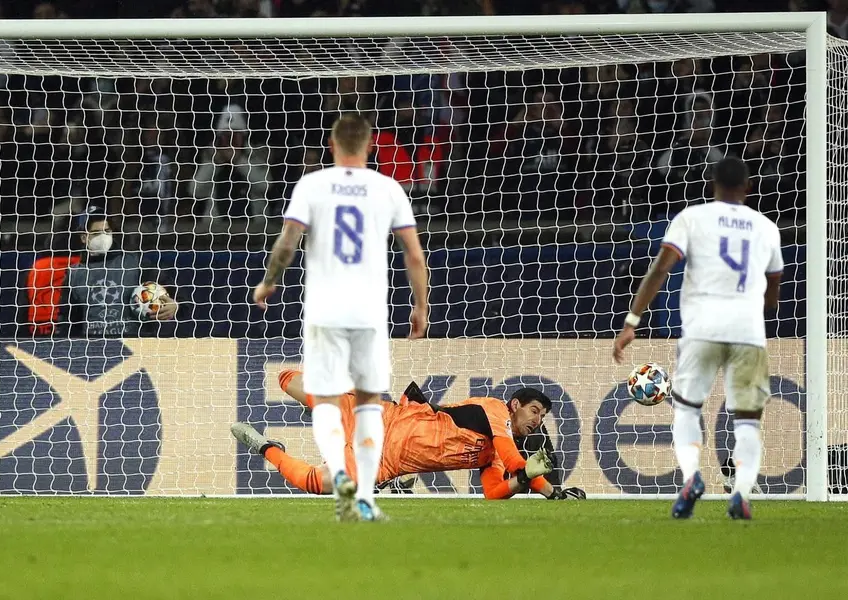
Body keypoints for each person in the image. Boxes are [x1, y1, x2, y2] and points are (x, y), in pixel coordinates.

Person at [252, 113, 430, 522]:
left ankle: (341, 481)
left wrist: (268, 282)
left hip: (325, 308)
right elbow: (414, 255)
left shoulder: (312, 185)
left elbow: (287, 243)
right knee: (369, 406)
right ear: (370, 146)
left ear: (331, 147)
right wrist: (421, 307)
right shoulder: (388, 188)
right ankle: (365, 494)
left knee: (328, 404)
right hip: (368, 311)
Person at [614, 156, 783, 520]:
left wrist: (632, 321)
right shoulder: (767, 228)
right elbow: (773, 291)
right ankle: (740, 493)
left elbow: (660, 268)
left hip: (702, 328)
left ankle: (691, 477)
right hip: (747, 332)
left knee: (688, 408)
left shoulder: (691, 218)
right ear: (748, 187)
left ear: (712, 185)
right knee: (748, 420)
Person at [231, 370, 580, 500]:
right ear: (515, 405)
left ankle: (267, 447)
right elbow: (516, 460)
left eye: (543, 416)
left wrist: (524, 483)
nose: (537, 420)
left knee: (312, 483)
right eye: (534, 411)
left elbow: (493, 492)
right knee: (290, 381)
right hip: (385, 418)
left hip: (383, 463)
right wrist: (550, 490)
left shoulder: (491, 454)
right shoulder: (494, 410)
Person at [63, 207, 178, 337]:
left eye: (107, 231)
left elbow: (177, 295)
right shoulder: (75, 273)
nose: (103, 237)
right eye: (96, 233)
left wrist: (176, 306)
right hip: (92, 349)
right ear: (84, 238)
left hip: (135, 346)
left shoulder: (135, 263)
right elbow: (69, 321)